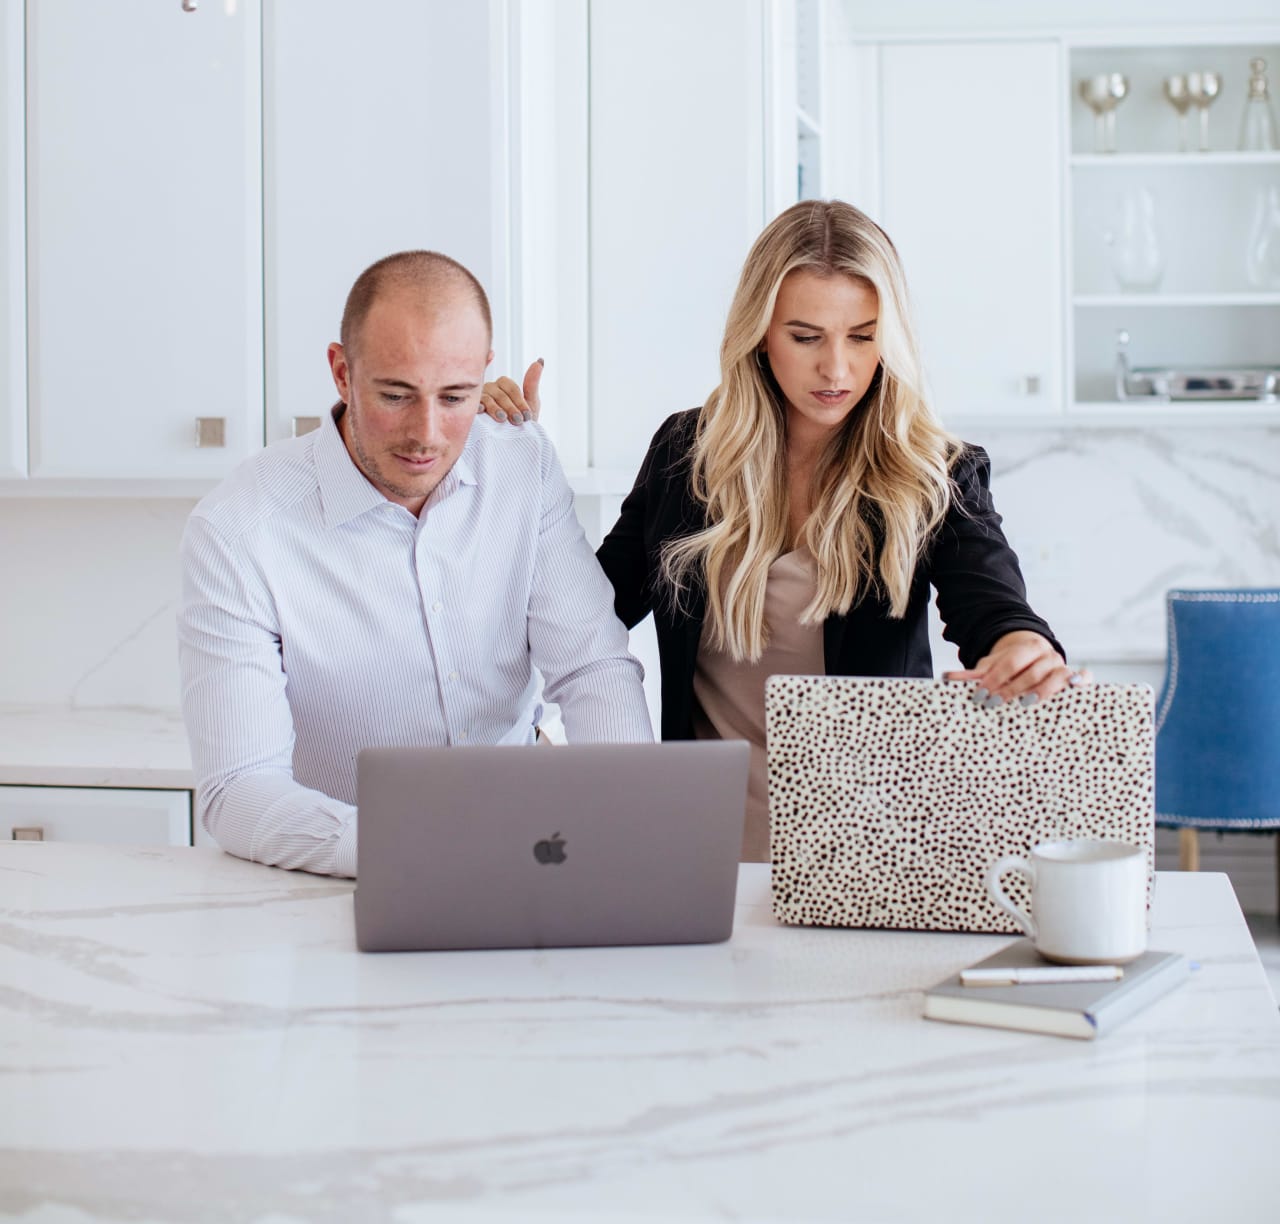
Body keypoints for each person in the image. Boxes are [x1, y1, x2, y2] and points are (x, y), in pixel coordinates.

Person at [478, 200, 1074, 862]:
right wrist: (486, 457)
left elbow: (993, 604)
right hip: (699, 851)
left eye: (863, 336)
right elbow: (585, 611)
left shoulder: (933, 471)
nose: (838, 370)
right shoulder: (686, 454)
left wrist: (1021, 646)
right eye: (807, 336)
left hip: (866, 851)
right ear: (761, 332)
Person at [178, 250, 652, 878]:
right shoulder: (239, 530)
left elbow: (591, 666)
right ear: (342, 373)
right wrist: (426, 848)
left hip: (526, 866)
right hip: (336, 882)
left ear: (486, 374)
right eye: (396, 396)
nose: (427, 434)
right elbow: (238, 790)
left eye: (455, 396)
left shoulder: (521, 467)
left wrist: (630, 824)